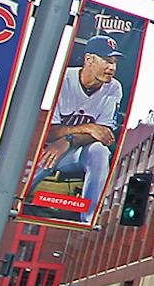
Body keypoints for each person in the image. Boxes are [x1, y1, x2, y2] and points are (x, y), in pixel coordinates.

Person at [27, 31, 126, 208]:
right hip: (43, 150)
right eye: (107, 61)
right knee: (19, 188)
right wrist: (88, 128)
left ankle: (87, 217)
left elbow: (103, 135)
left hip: (74, 152)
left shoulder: (113, 88)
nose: (112, 68)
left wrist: (68, 139)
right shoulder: (63, 78)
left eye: (114, 63)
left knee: (100, 152)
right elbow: (48, 132)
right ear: (89, 60)